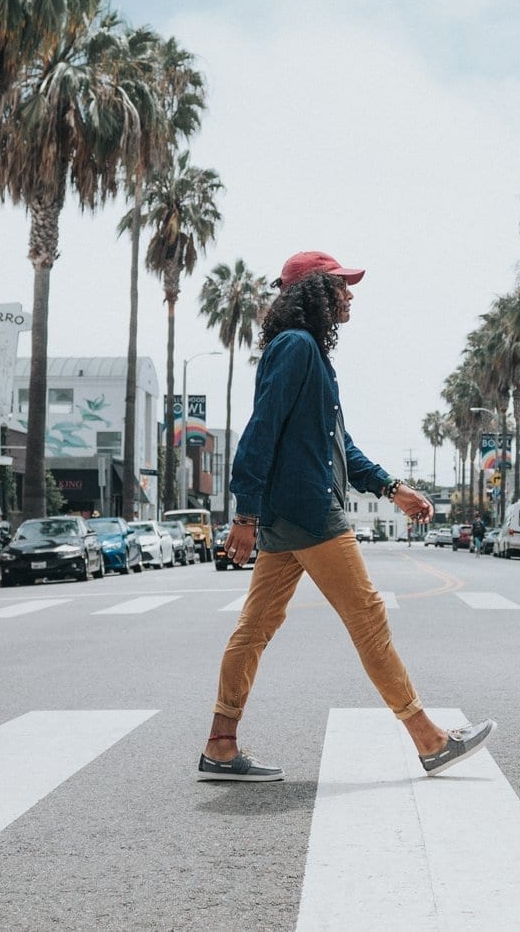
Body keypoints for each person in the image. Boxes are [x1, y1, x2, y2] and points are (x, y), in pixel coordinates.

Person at [198, 251, 496, 782]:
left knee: (256, 627)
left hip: (289, 513)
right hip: (310, 512)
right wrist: (244, 511)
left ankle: (220, 744)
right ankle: (428, 739)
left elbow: (340, 448)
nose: (349, 294)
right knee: (368, 618)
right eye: (340, 285)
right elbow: (260, 428)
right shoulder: (298, 347)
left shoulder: (309, 355)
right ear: (313, 292)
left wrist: (392, 488)